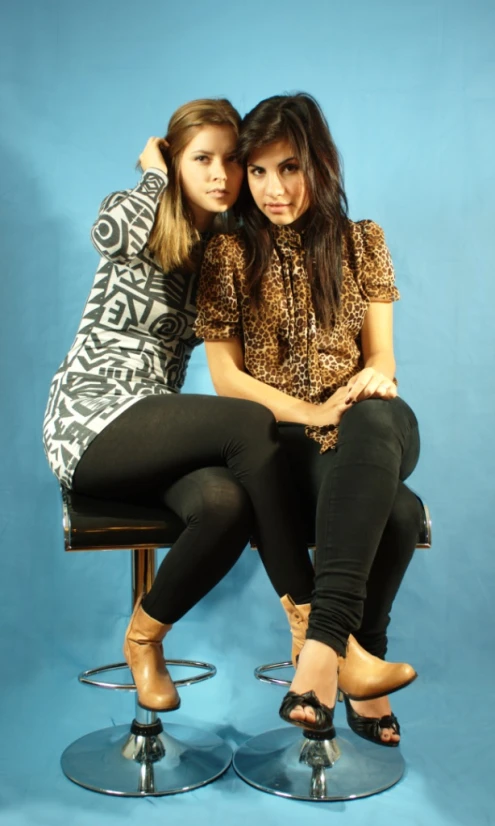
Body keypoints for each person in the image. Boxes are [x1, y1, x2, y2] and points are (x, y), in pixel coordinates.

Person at [42, 97, 331, 715]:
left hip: (155, 425)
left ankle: (144, 637)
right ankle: (310, 627)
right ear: (177, 161)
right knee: (249, 425)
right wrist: (154, 170)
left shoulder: (221, 252)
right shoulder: (137, 211)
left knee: (225, 503)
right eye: (201, 159)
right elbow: (108, 234)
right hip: (91, 417)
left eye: (231, 160)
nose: (220, 175)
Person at [195, 93, 423, 746]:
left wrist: (372, 378)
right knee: (400, 513)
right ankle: (363, 663)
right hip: (279, 450)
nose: (271, 188)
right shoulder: (228, 255)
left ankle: (320, 655)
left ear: (318, 164)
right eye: (258, 171)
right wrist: (312, 410)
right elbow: (226, 379)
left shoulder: (361, 241)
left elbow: (380, 353)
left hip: (363, 432)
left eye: (288, 168)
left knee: (375, 416)